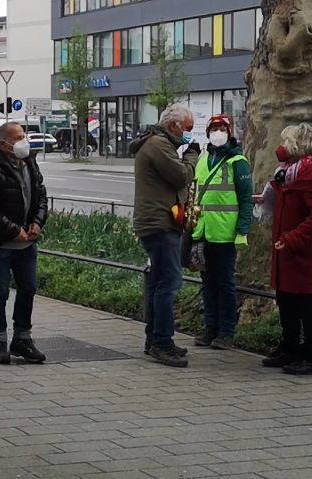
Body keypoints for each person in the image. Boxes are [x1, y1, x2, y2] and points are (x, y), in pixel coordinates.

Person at [260, 123, 312, 375]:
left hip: (304, 252)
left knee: (306, 304)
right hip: (288, 249)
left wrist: (292, 238)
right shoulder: (289, 173)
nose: (282, 146)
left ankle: (311, 355)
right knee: (286, 300)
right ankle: (290, 346)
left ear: (298, 145)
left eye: (286, 141)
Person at [0, 122, 49, 365]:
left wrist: (37, 223)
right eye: (17, 138)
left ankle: (22, 339)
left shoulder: (30, 163)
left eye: (23, 136)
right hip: (0, 244)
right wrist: (14, 231)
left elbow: (41, 197)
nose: (23, 142)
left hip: (27, 243)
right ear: (3, 143)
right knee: (0, 292)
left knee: (28, 289)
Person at [131, 104, 200, 368]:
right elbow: (181, 176)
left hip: (157, 222)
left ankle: (154, 338)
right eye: (188, 128)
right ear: (173, 126)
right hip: (160, 223)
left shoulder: (154, 142)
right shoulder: (158, 144)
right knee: (169, 282)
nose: (189, 134)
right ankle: (161, 341)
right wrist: (192, 155)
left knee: (158, 282)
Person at [191, 115, 253, 350]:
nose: (218, 133)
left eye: (222, 129)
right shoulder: (202, 160)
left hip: (225, 235)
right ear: (208, 133)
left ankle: (226, 332)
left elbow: (246, 199)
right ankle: (211, 327)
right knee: (208, 283)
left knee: (225, 284)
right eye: (214, 128)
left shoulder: (238, 162)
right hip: (202, 232)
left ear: (230, 132)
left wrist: (242, 230)